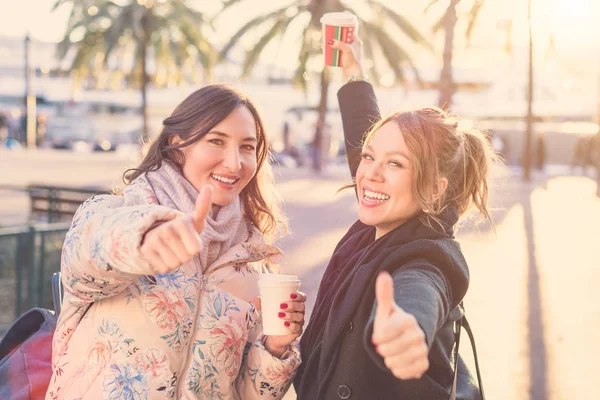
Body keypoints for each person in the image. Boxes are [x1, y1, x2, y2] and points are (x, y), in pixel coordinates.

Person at [46, 85, 305, 400]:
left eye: (247, 147)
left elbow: (244, 394)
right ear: (177, 142)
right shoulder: (117, 214)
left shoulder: (254, 264)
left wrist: (275, 350)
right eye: (216, 141)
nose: (235, 163)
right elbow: (82, 261)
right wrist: (143, 240)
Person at [294, 37, 492, 399]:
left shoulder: (429, 257)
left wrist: (409, 327)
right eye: (369, 157)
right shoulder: (385, 211)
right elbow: (363, 139)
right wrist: (355, 74)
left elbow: (420, 288)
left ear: (434, 188)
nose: (370, 174)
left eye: (396, 163)